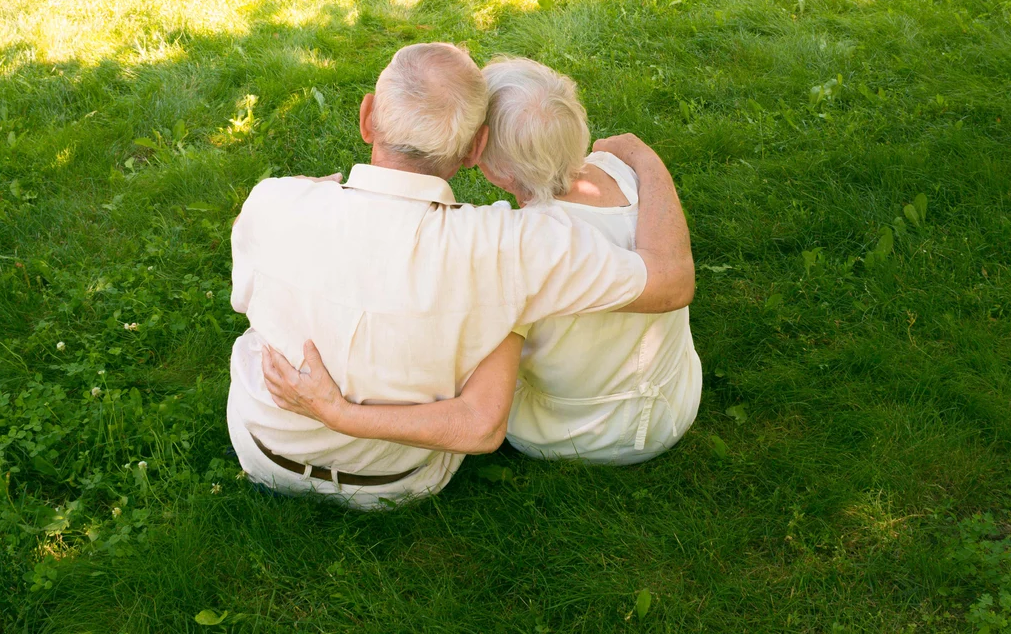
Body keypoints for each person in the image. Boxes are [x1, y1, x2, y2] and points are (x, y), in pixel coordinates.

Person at [228, 43, 693, 509]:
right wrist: (642, 157)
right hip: (393, 483)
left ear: (367, 117)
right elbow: (669, 283)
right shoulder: (508, 247)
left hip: (259, 446)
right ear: (474, 150)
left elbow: (247, 290)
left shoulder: (270, 202)